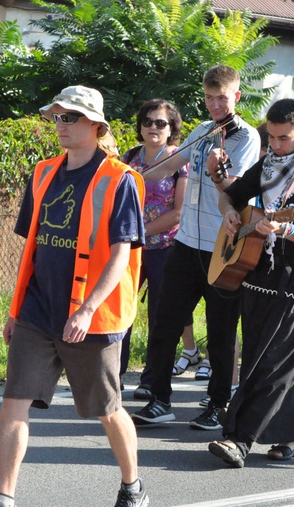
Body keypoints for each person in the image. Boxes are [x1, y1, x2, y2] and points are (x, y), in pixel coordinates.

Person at [0, 85, 147, 507]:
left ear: (96, 125)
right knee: (13, 403)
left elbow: (120, 256)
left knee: (107, 408)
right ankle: (4, 498)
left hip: (91, 318)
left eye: (70, 117)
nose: (60, 124)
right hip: (37, 312)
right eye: (57, 116)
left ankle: (133, 486)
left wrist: (87, 309)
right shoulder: (42, 173)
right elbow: (33, 249)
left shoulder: (121, 180)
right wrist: (14, 309)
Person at [207, 98, 294, 467]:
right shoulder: (265, 166)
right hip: (259, 274)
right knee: (264, 358)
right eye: (272, 136)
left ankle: (240, 439)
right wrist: (231, 214)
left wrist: (286, 228)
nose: (276, 144)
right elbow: (229, 196)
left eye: (284, 138)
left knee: (276, 361)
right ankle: (292, 435)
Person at [131, 65, 260, 430]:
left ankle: (218, 403)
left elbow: (236, 190)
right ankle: (159, 398)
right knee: (165, 322)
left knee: (220, 332)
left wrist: (220, 173)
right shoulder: (203, 131)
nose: (215, 104)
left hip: (221, 249)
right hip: (186, 244)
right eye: (209, 98)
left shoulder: (247, 137)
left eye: (222, 97)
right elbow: (169, 164)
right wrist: (129, 176)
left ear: (236, 96)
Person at [117, 99, 188, 392]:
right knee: (120, 312)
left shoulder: (179, 160)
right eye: (148, 121)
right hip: (129, 249)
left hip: (164, 249)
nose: (153, 127)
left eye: (161, 122)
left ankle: (151, 380)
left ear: (172, 127)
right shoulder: (130, 156)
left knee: (160, 317)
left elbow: (178, 212)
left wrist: (142, 232)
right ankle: (112, 375)